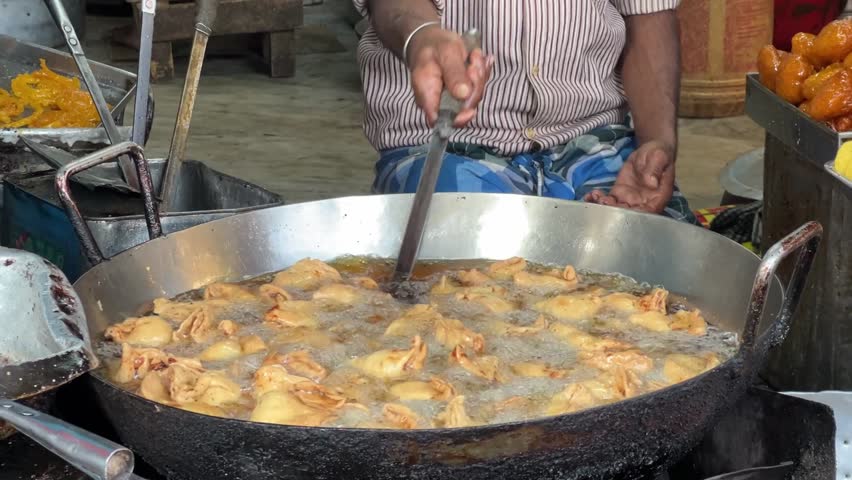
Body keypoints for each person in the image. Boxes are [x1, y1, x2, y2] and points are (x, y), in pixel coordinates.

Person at [353, 0, 697, 223]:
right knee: (455, 280)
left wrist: (658, 142)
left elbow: (650, 16)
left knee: (662, 265)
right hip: (447, 143)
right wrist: (422, 37)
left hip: (593, 136)